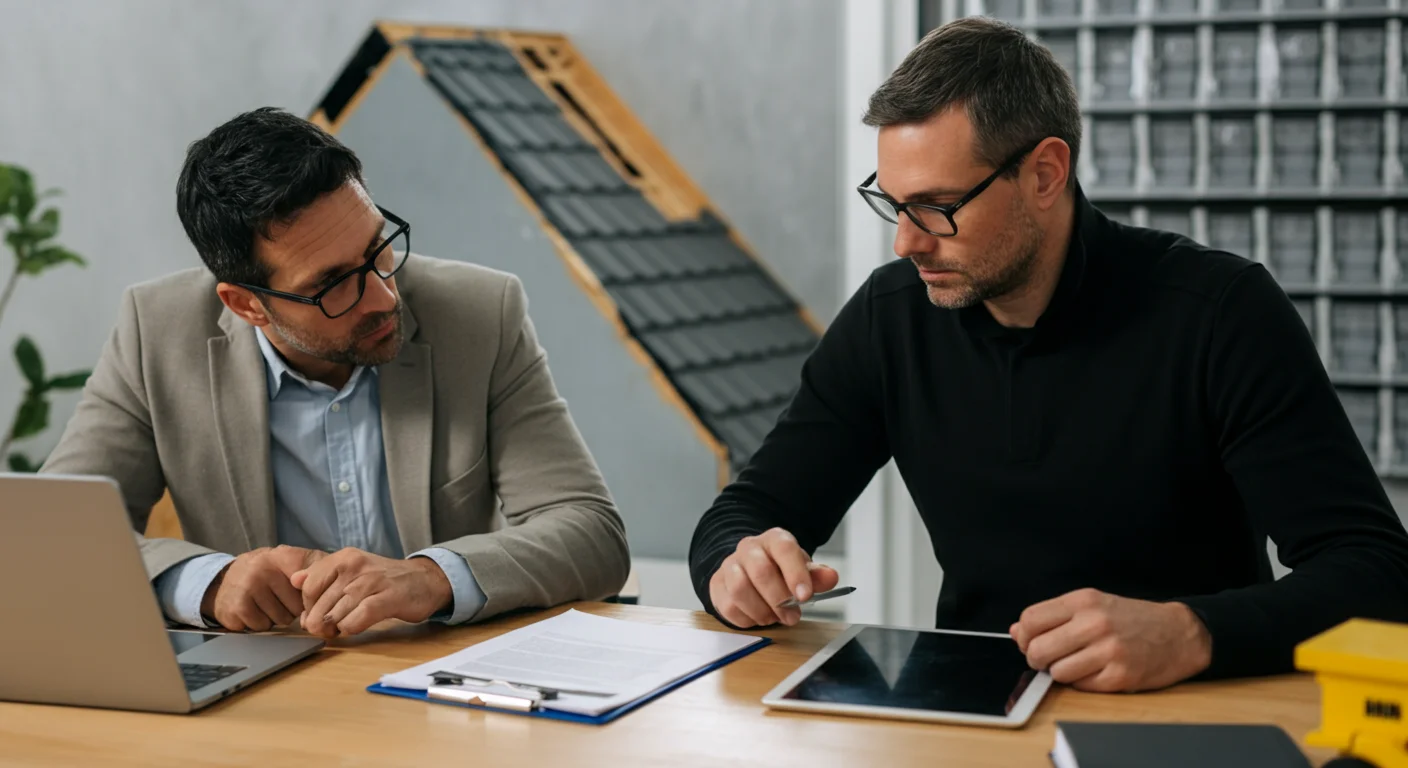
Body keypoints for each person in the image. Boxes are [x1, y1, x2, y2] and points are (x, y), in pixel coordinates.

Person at [689, 18, 1408, 692]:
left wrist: (1195, 632)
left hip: (1182, 712)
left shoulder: (1220, 312)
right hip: (970, 716)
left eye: (937, 207)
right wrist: (736, 566)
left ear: (1045, 173)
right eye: (894, 203)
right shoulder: (890, 318)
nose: (907, 243)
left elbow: (1376, 571)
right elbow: (748, 511)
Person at [43, 107, 629, 638]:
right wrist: (206, 584)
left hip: (442, 677)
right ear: (245, 304)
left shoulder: (480, 312)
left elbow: (591, 532)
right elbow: (49, 537)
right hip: (268, 692)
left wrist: (432, 577)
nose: (381, 296)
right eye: (329, 285)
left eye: (378, 249)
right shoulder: (157, 332)